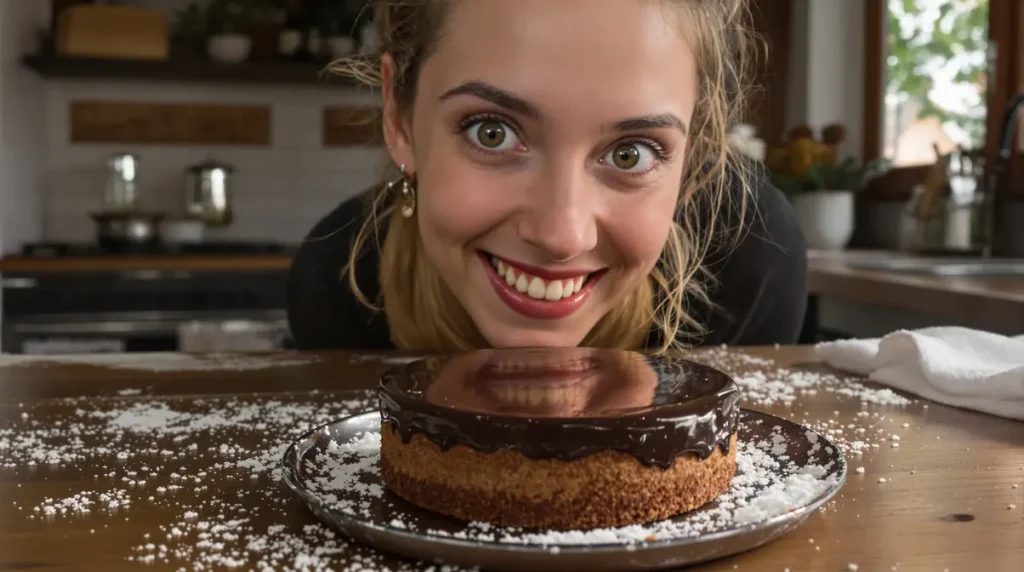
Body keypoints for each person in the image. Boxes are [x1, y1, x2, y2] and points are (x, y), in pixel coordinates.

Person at [287, 0, 807, 353]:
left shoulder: (747, 260)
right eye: (491, 133)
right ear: (399, 117)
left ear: (692, 157)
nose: (562, 235)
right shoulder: (337, 290)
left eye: (631, 153)